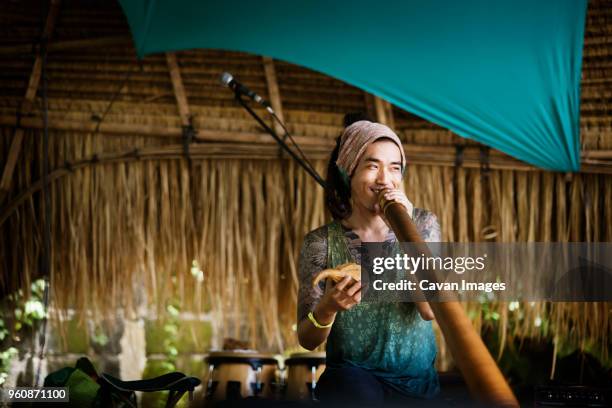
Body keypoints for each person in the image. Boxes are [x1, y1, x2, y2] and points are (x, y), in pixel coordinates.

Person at [296, 117, 441, 407]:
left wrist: (406, 230)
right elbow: (307, 339)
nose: (385, 179)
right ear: (348, 171)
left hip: (416, 386)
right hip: (352, 382)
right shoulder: (320, 242)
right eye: (372, 166)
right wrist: (328, 307)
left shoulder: (423, 225)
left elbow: (430, 309)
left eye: (394, 168)